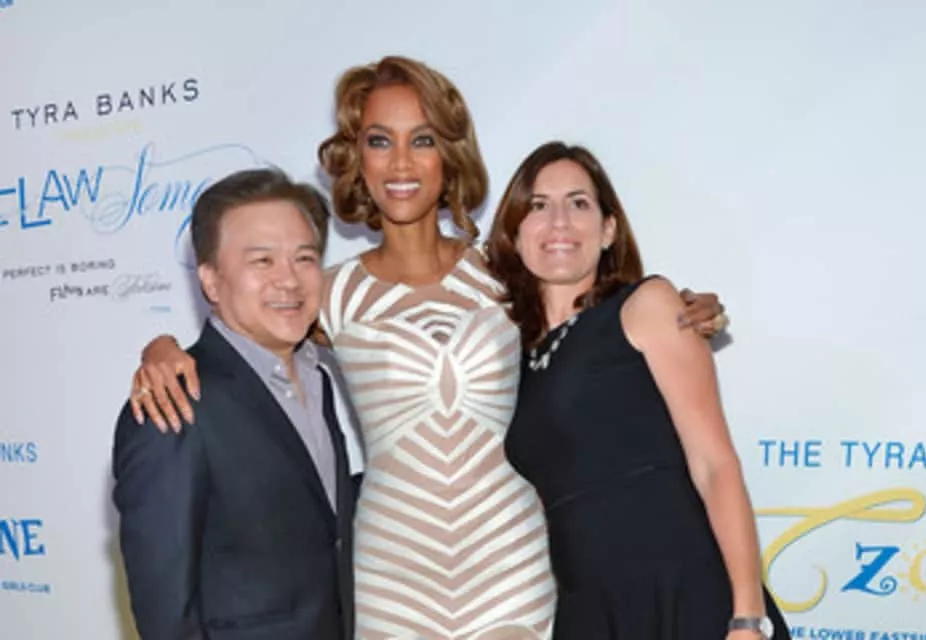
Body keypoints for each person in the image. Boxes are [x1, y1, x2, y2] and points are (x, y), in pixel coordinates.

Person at [125, 56, 728, 639]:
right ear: (357, 159)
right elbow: (247, 330)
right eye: (379, 141)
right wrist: (162, 347)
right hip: (392, 583)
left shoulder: (504, 276)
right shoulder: (329, 293)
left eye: (423, 139)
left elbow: (601, 321)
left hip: (513, 572)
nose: (401, 162)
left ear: (449, 156)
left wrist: (683, 307)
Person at [486, 141, 789, 639]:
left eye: (578, 203)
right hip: (589, 609)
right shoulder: (511, 355)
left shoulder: (646, 306)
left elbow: (715, 464)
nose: (559, 221)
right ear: (515, 233)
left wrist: (747, 619)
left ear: (608, 229)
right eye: (538, 205)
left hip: (686, 594)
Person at [112, 168, 357, 640]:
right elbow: (166, 611)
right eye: (262, 260)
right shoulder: (174, 401)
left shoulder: (318, 378)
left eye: (304, 258)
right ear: (210, 281)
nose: (289, 279)